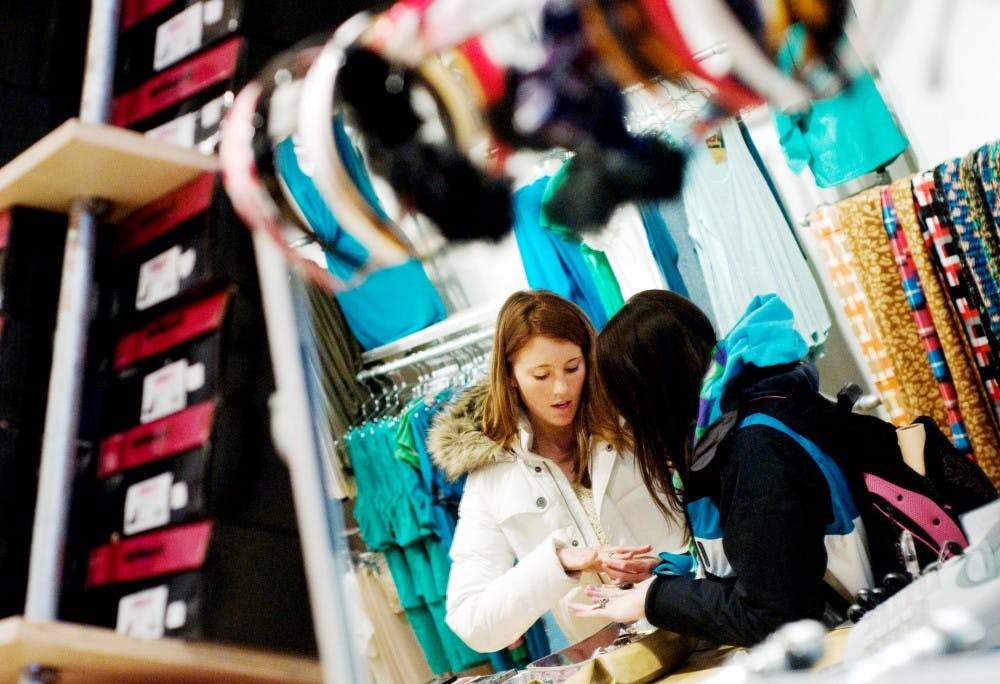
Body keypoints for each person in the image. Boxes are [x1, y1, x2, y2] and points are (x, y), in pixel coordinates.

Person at [571, 290, 871, 647]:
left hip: (859, 644)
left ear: (650, 398)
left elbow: (773, 617)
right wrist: (672, 573)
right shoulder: (751, 414)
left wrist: (655, 599)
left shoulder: (753, 450)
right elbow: (772, 554)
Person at [427, 289, 690, 653]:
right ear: (510, 375)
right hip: (621, 671)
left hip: (704, 631)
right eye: (541, 375)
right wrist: (558, 562)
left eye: (572, 367)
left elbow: (717, 518)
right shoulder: (490, 477)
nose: (561, 388)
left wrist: (677, 573)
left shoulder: (636, 419)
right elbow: (472, 622)